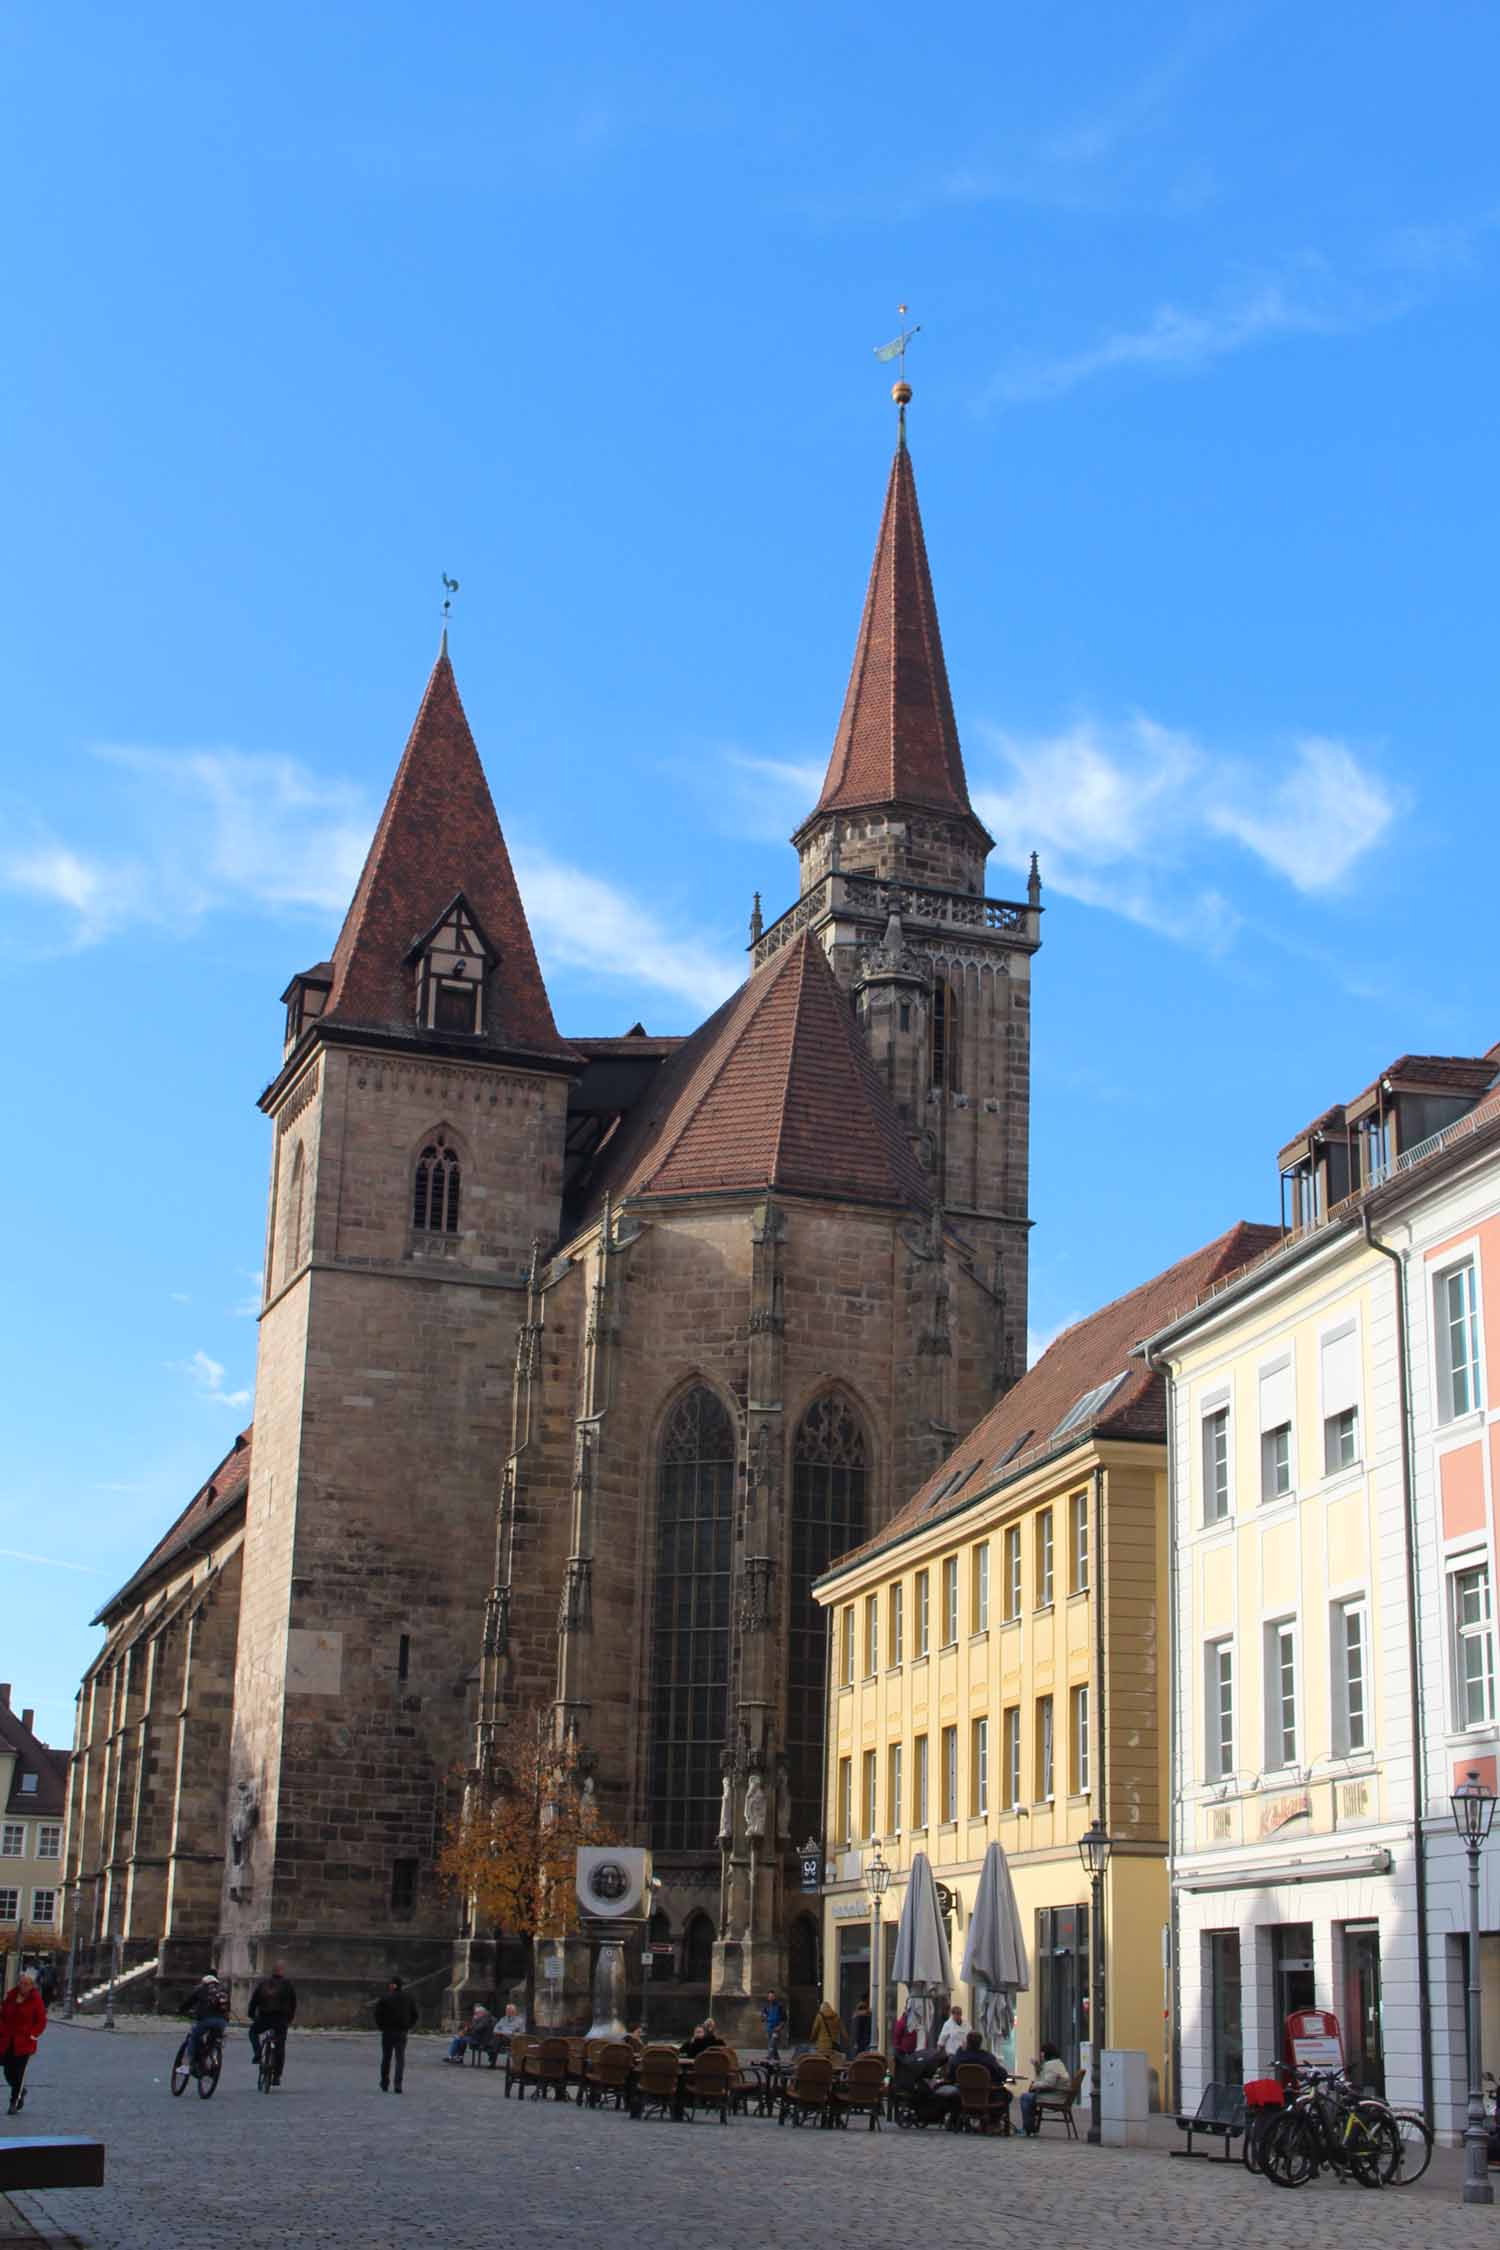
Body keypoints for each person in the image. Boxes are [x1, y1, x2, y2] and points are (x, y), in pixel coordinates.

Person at [0, 1973, 47, 2115]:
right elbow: (2, 2015)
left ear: (32, 1985)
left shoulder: (36, 2000)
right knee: (8, 2071)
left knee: (19, 2073)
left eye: (26, 1984)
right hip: (8, 2040)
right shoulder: (11, 1996)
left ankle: (14, 2101)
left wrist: (32, 2035)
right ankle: (21, 2089)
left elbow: (41, 2021)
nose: (23, 1986)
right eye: (21, 1983)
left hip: (24, 2042)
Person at [952, 2028, 1013, 2133]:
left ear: (967, 2042)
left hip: (964, 2096)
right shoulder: (987, 2058)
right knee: (1007, 2095)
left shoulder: (959, 2058)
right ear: (980, 2043)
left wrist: (959, 2051)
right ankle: (993, 2122)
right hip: (987, 2097)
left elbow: (950, 2073)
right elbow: (1002, 2075)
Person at [247, 1961, 297, 2084]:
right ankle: (277, 2076)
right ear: (282, 1971)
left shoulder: (263, 1984)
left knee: (253, 2032)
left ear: (272, 1971)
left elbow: (254, 2001)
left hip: (264, 2018)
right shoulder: (287, 1984)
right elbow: (293, 2003)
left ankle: (258, 2053)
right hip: (280, 2019)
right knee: (280, 2046)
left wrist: (252, 2015)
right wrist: (290, 2018)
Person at [374, 1976, 419, 2092]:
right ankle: (398, 2084)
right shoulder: (409, 1998)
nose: (389, 1985)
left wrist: (381, 2027)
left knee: (386, 2058)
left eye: (391, 1984)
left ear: (394, 1985)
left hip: (388, 2031)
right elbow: (415, 2014)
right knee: (400, 2059)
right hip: (401, 2032)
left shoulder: (385, 1998)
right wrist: (408, 2026)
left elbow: (377, 2014)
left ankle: (384, 2083)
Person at [1020, 2042, 1071, 2134]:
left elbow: (1048, 2083)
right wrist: (1037, 2066)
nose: (1041, 2054)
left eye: (1042, 2052)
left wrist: (1034, 2085)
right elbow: (1043, 2076)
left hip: (1055, 2097)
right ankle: (1030, 2127)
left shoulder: (1051, 2065)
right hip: (1061, 2095)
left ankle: (1028, 2128)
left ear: (1046, 2052)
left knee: (1025, 2097)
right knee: (1030, 2096)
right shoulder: (1057, 2063)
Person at [182, 1971, 230, 2072]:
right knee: (212, 2040)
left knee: (194, 2037)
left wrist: (180, 2010)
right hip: (222, 2022)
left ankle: (186, 2065)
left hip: (206, 2020)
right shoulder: (223, 1990)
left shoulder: (201, 1989)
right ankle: (212, 2059)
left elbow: (189, 2002)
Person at [761, 1989, 786, 2057]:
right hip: (769, 2028)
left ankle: (769, 2056)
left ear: (775, 1997)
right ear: (768, 1997)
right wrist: (764, 2016)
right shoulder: (766, 2006)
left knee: (772, 2043)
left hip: (776, 2028)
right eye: (769, 1996)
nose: (771, 1998)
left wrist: (779, 2027)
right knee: (774, 2046)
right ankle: (777, 2059)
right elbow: (763, 2016)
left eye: (772, 1996)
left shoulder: (780, 2006)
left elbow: (784, 2019)